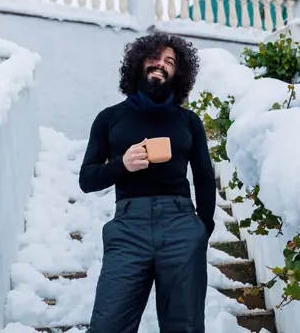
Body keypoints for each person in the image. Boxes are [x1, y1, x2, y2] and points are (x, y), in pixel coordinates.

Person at [79, 27, 216, 333]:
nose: (161, 64)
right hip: (128, 227)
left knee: (186, 326)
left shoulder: (188, 122)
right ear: (139, 62)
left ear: (177, 74)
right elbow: (87, 179)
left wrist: (202, 228)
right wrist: (122, 165)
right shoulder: (110, 118)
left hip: (181, 224)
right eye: (155, 57)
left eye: (170, 61)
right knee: (107, 325)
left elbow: (205, 177)